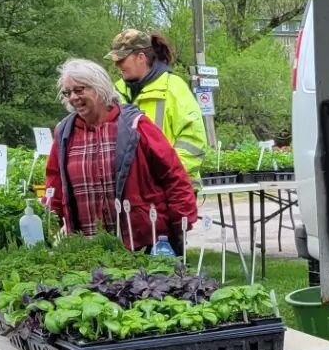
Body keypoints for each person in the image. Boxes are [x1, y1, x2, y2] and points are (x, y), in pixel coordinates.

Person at [44, 59, 197, 252]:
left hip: (142, 241)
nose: (73, 98)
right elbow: (54, 186)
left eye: (80, 90)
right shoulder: (64, 133)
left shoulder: (135, 125)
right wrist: (48, 224)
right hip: (88, 246)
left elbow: (174, 176)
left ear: (100, 88)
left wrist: (179, 225)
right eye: (67, 93)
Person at [108, 29, 209, 181]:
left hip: (172, 190)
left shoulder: (174, 87)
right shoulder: (115, 91)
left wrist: (162, 175)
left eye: (121, 59)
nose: (116, 65)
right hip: (132, 192)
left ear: (140, 57)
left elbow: (194, 142)